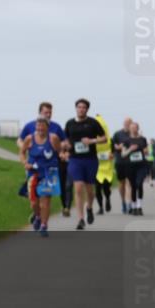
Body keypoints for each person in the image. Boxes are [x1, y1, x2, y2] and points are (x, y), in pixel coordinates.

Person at [17, 102, 71, 217]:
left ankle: (43, 220)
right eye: (46, 112)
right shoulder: (30, 126)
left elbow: (64, 141)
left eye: (50, 112)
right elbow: (20, 140)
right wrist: (25, 148)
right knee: (34, 196)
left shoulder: (56, 127)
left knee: (45, 196)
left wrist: (63, 150)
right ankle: (37, 212)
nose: (48, 114)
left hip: (50, 166)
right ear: (40, 112)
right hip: (33, 165)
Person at [63, 98, 107, 230]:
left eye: (84, 107)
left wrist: (92, 141)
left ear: (87, 109)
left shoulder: (93, 123)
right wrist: (64, 149)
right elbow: (65, 139)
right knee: (78, 187)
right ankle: (81, 219)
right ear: (76, 108)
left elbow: (104, 138)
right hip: (75, 159)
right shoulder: (70, 123)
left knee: (89, 190)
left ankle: (89, 208)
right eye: (79, 107)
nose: (81, 109)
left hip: (90, 160)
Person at [19, 117, 61, 238]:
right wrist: (25, 163)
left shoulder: (53, 138)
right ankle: (37, 216)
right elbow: (22, 152)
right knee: (33, 203)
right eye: (38, 126)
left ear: (47, 127)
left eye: (42, 126)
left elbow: (59, 152)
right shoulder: (29, 138)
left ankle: (44, 225)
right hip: (33, 173)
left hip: (49, 173)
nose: (40, 129)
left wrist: (63, 155)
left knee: (45, 201)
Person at [122, 121, 150, 215]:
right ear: (129, 129)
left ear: (138, 128)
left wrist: (146, 151)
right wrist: (130, 149)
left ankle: (139, 206)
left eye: (135, 127)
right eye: (132, 127)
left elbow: (146, 151)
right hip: (130, 166)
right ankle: (133, 206)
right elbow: (123, 154)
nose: (134, 129)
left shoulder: (143, 139)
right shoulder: (126, 140)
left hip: (141, 165)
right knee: (133, 186)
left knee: (139, 184)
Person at [93, 113, 115, 214]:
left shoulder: (110, 140)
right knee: (97, 189)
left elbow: (114, 152)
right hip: (96, 167)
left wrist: (112, 155)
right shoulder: (92, 140)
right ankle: (100, 207)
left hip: (107, 167)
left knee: (106, 187)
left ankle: (108, 199)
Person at [112, 117, 134, 214]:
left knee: (129, 183)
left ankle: (129, 204)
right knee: (122, 183)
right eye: (126, 122)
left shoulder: (134, 134)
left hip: (131, 161)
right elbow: (114, 146)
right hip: (120, 161)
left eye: (129, 123)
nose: (127, 124)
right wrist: (119, 147)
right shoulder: (117, 134)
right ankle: (123, 202)